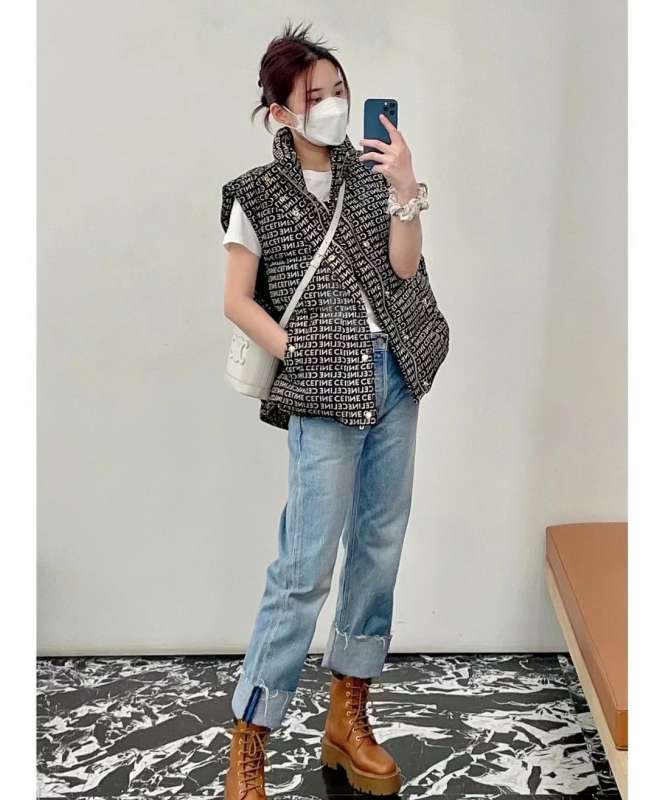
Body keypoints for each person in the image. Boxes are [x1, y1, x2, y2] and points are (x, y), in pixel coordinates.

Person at [219, 21, 449, 799]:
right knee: (304, 565)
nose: (332, 105)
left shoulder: (369, 173)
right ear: (279, 112)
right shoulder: (255, 193)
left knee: (378, 545)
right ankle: (251, 735)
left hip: (394, 373)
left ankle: (348, 717)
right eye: (314, 96)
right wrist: (299, 352)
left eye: (339, 90)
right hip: (323, 387)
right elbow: (236, 301)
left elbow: (403, 268)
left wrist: (404, 187)